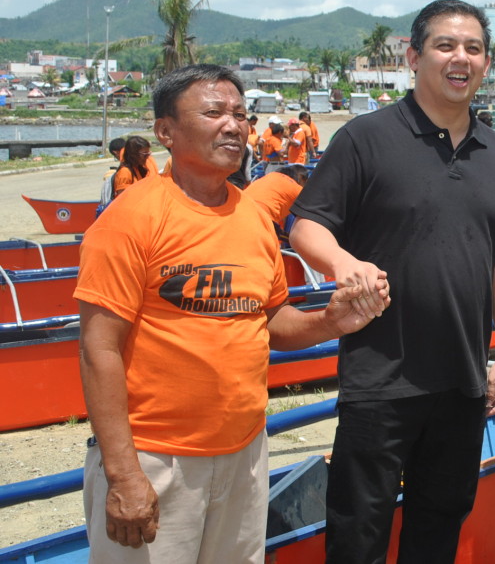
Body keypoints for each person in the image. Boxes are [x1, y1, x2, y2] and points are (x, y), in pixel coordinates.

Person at [75, 64, 381, 564]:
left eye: (241, 114)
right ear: (165, 131)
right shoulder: (130, 219)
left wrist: (330, 321)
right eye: (213, 112)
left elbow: (269, 319)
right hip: (156, 458)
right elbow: (98, 348)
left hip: (244, 452)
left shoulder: (254, 218)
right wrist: (124, 473)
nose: (234, 125)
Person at [287, 0, 495, 563]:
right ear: (415, 56)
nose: (460, 58)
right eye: (445, 45)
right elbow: (307, 226)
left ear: (487, 63)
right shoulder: (366, 138)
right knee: (357, 529)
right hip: (381, 378)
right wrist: (344, 265)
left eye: (473, 48)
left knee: (439, 525)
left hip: (463, 379)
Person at [243, 163, 309, 229]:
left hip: (239, 210)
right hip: (259, 219)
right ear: (302, 178)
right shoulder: (296, 189)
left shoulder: (271, 175)